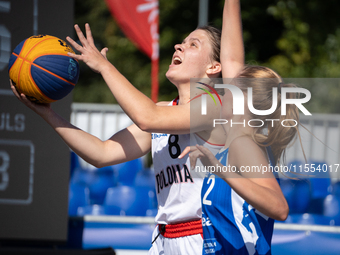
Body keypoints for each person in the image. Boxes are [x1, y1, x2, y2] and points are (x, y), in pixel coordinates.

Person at [10, 1, 243, 254]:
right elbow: (102, 153)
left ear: (214, 67)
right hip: (163, 239)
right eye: (182, 41)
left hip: (202, 238)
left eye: (193, 44)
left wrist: (104, 66)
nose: (179, 45)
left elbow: (148, 117)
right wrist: (48, 114)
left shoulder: (214, 108)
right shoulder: (165, 110)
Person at [184, 67, 298, 254]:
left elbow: (279, 207)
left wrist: (221, 171)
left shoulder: (243, 145)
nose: (222, 92)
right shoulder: (229, 149)